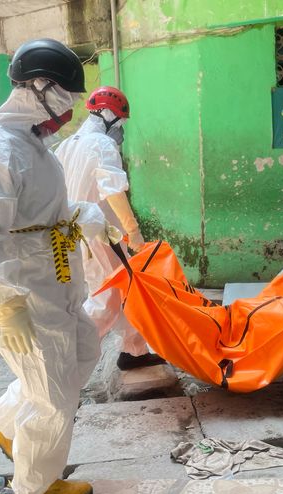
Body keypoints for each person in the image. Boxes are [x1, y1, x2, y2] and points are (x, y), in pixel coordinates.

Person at [0, 38, 116, 494]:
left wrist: (86, 217)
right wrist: (6, 302)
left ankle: (1, 420)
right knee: (52, 393)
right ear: (40, 86)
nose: (70, 107)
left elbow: (46, 212)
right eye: (66, 94)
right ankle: (37, 486)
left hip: (55, 278)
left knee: (82, 353)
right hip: (22, 290)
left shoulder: (35, 145)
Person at [56, 86, 166, 370]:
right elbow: (113, 191)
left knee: (127, 290)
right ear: (106, 115)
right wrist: (134, 231)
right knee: (106, 298)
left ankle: (134, 350)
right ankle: (70, 354)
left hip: (73, 235)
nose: (121, 130)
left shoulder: (66, 145)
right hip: (101, 236)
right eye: (120, 122)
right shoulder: (102, 146)